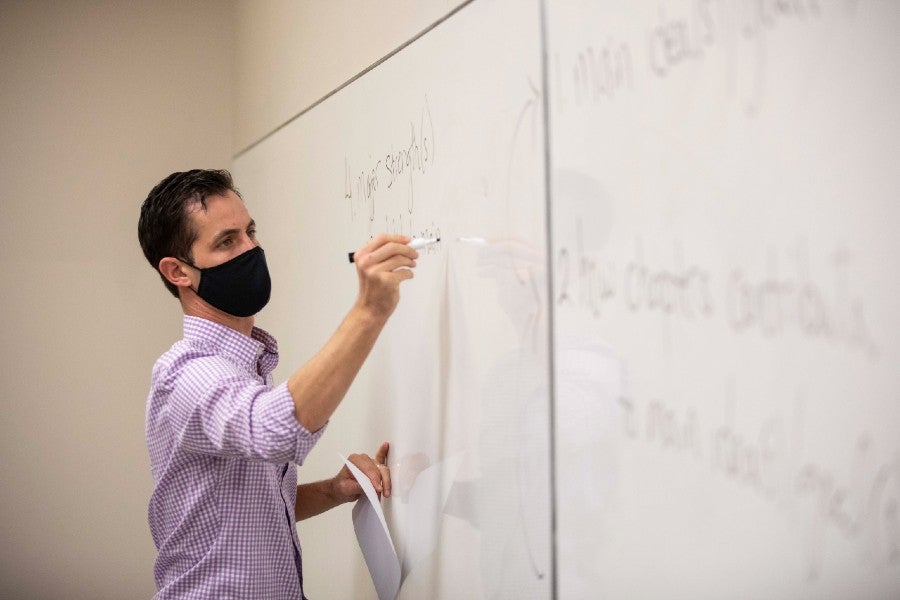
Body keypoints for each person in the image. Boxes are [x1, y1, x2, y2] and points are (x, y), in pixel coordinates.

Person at [137, 169, 418, 599]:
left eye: (250, 232)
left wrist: (332, 490)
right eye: (226, 241)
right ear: (178, 271)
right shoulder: (187, 374)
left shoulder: (242, 370)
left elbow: (239, 512)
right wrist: (370, 310)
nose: (251, 249)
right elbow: (275, 429)